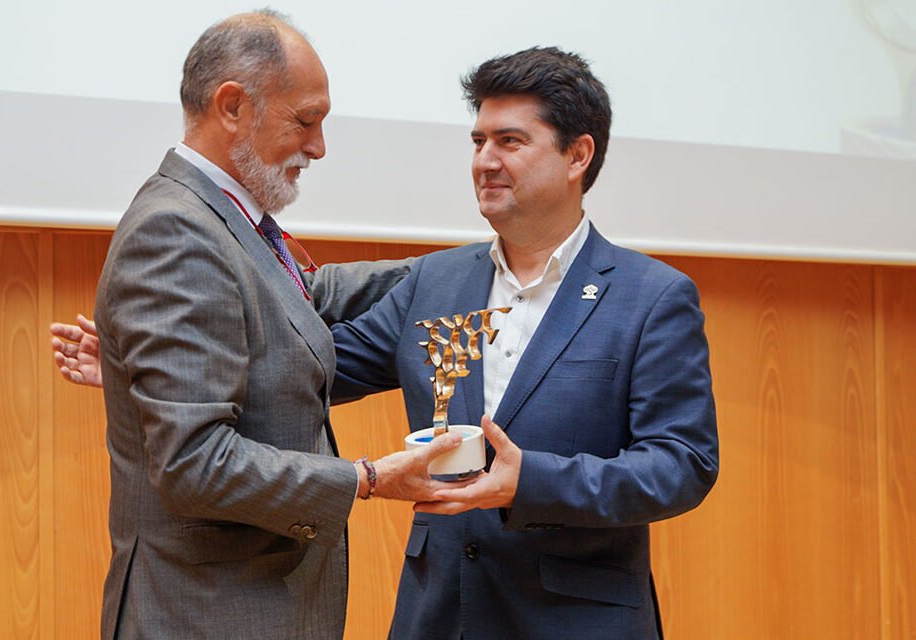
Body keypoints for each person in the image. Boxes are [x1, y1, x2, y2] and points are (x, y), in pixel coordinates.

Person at [54, 46, 719, 640]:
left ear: (578, 154)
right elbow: (310, 365)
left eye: (510, 141)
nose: (485, 160)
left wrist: (533, 482)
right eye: (478, 139)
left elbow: (683, 464)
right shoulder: (440, 282)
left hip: (576, 618)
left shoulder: (650, 296)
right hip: (439, 614)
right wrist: (151, 372)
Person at [82, 11, 466, 640]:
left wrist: (467, 267)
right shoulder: (176, 231)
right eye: (305, 121)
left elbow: (306, 294)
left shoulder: (222, 218)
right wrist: (370, 479)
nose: (319, 147)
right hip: (204, 615)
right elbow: (195, 464)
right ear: (231, 106)